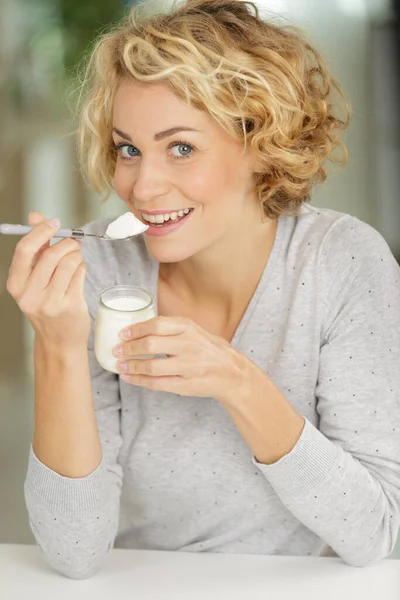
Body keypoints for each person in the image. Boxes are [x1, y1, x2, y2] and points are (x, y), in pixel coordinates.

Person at [6, 0, 400, 580]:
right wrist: (59, 348)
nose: (142, 184)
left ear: (262, 144)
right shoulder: (101, 266)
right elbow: (73, 554)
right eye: (128, 148)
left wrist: (238, 382)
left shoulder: (340, 262)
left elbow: (374, 534)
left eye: (181, 148)